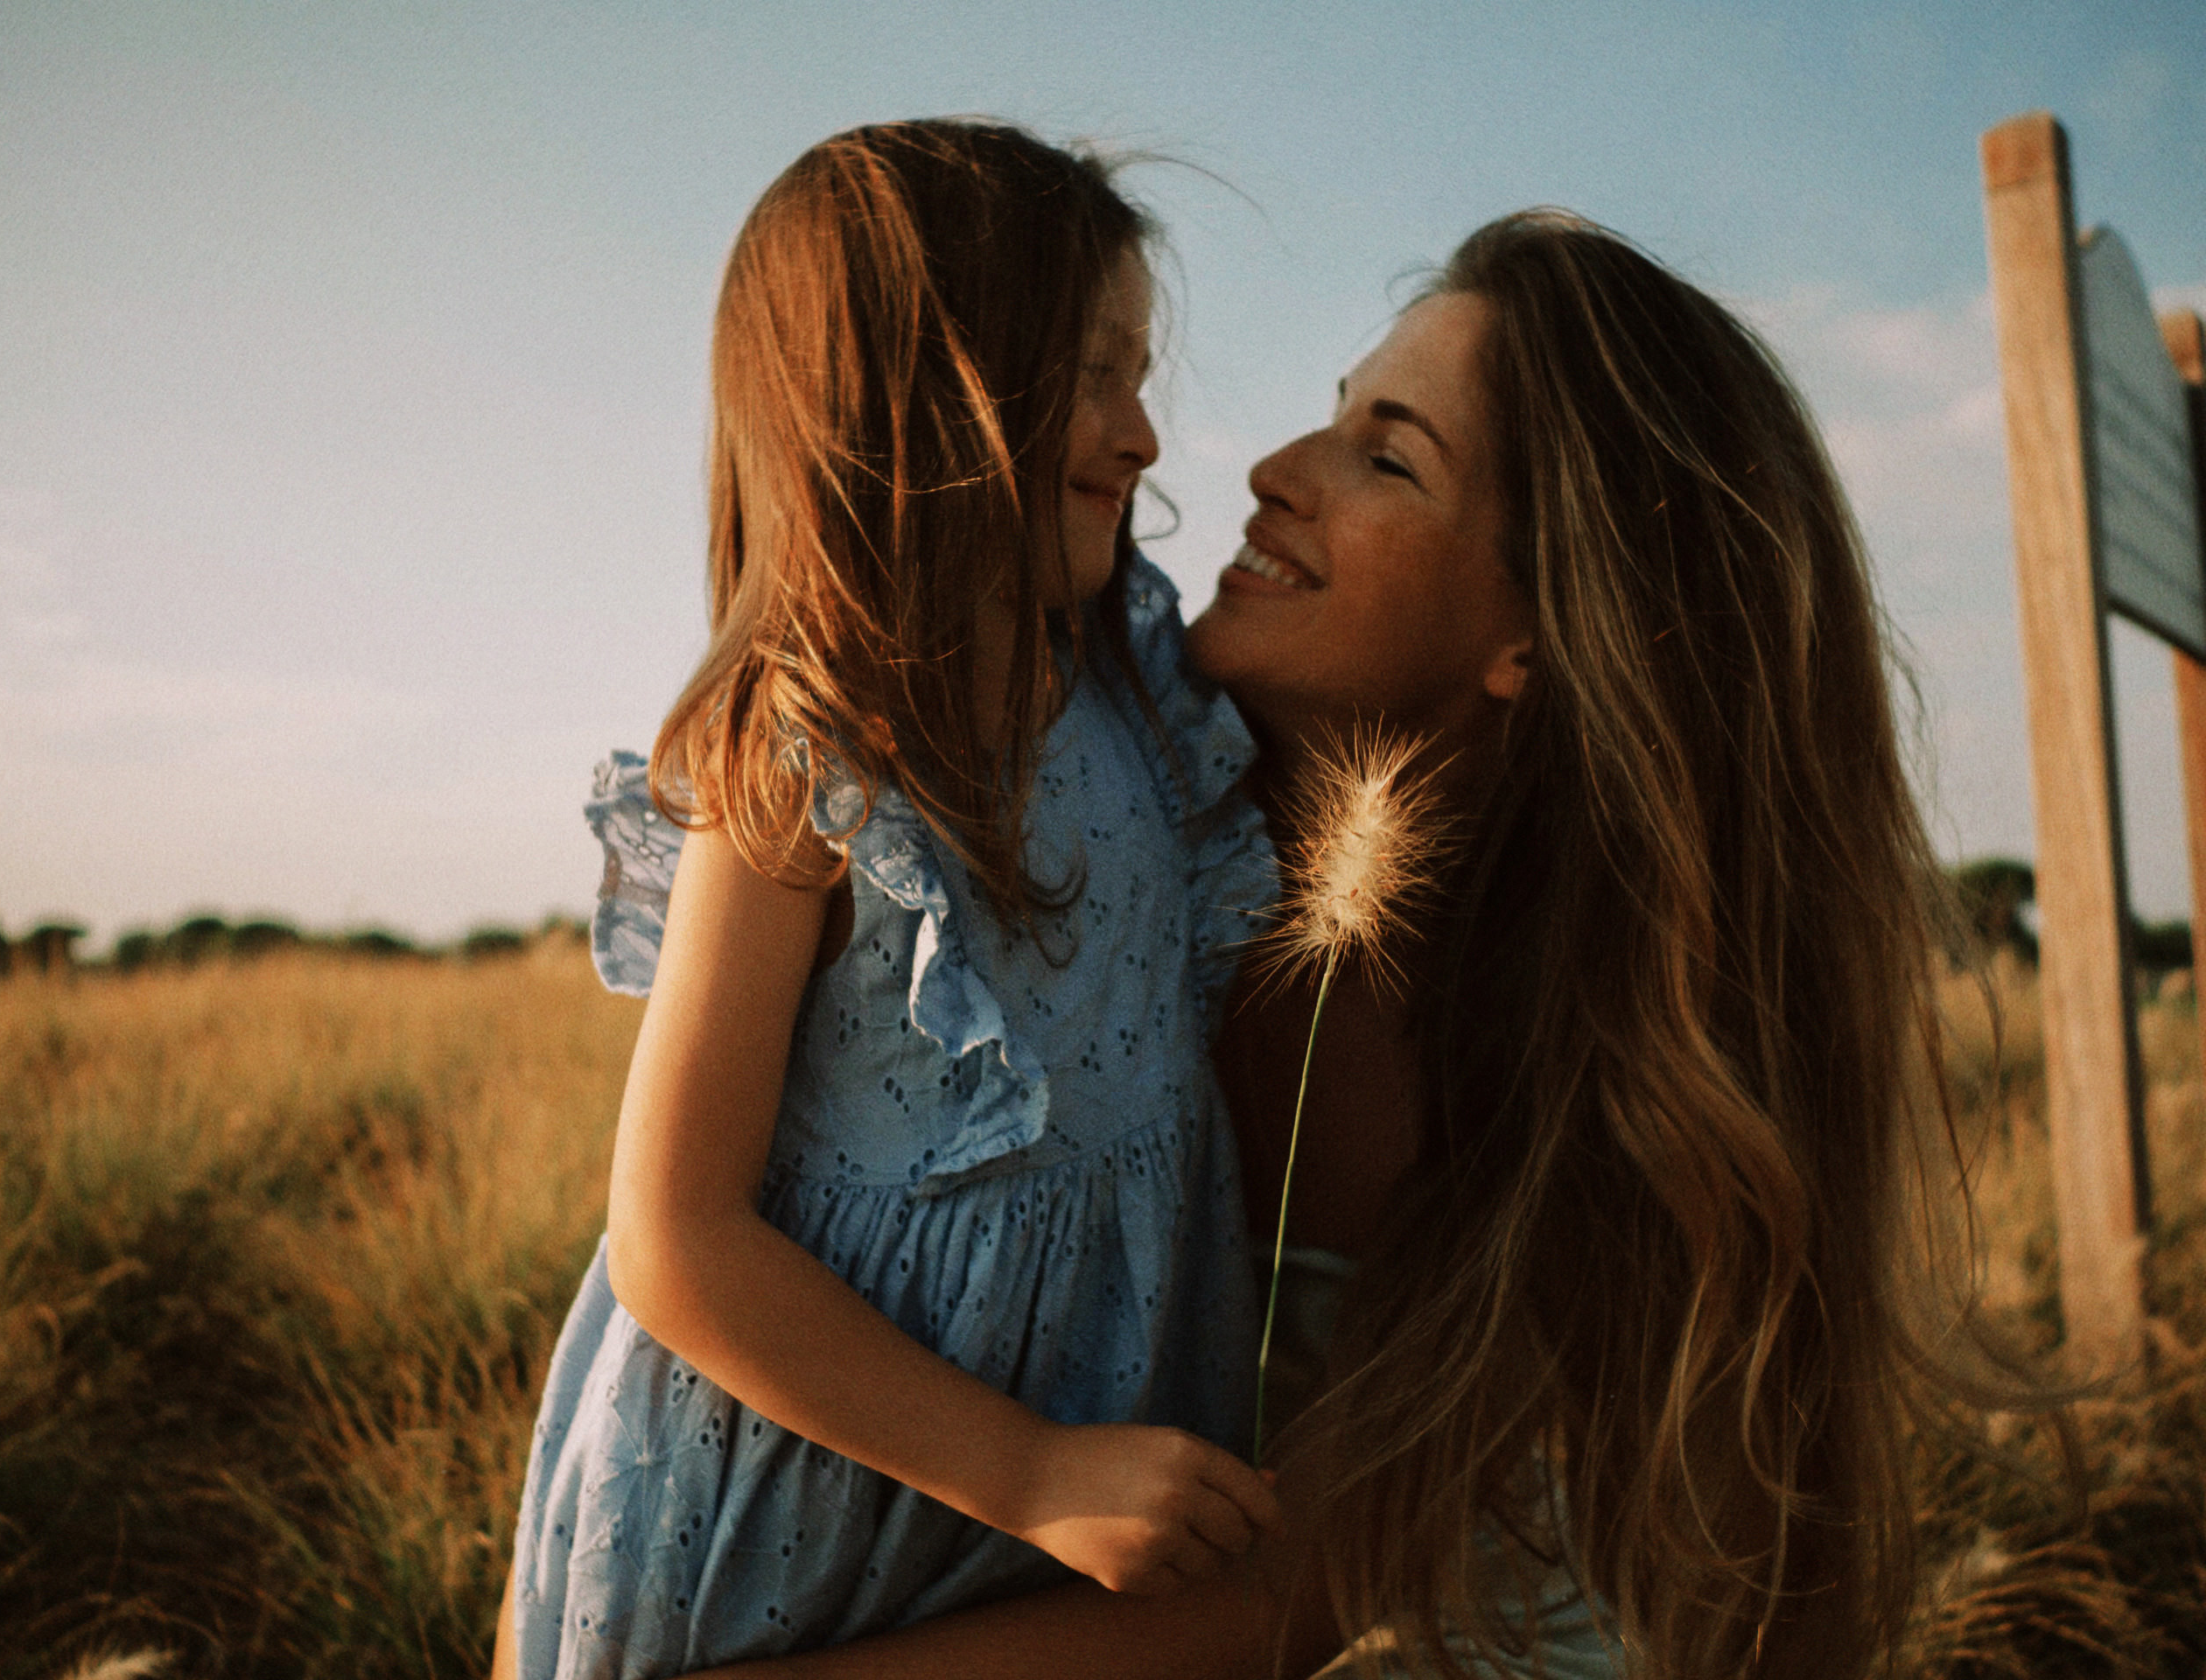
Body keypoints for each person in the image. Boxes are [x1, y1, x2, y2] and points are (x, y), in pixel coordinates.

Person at [702, 209, 1970, 1680]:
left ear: (1543, 636)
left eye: (1388, 456)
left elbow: (1272, 1604)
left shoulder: (1574, 1087)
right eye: (1329, 414)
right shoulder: (1133, 851)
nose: (1266, 473)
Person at [493, 119, 1282, 1680]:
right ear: (926, 398)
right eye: (1100, 374)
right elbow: (673, 1233)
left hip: (1071, 1455)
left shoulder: (1132, 695)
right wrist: (1031, 1474)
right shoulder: (809, 752)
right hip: (810, 1496)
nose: (1144, 437)